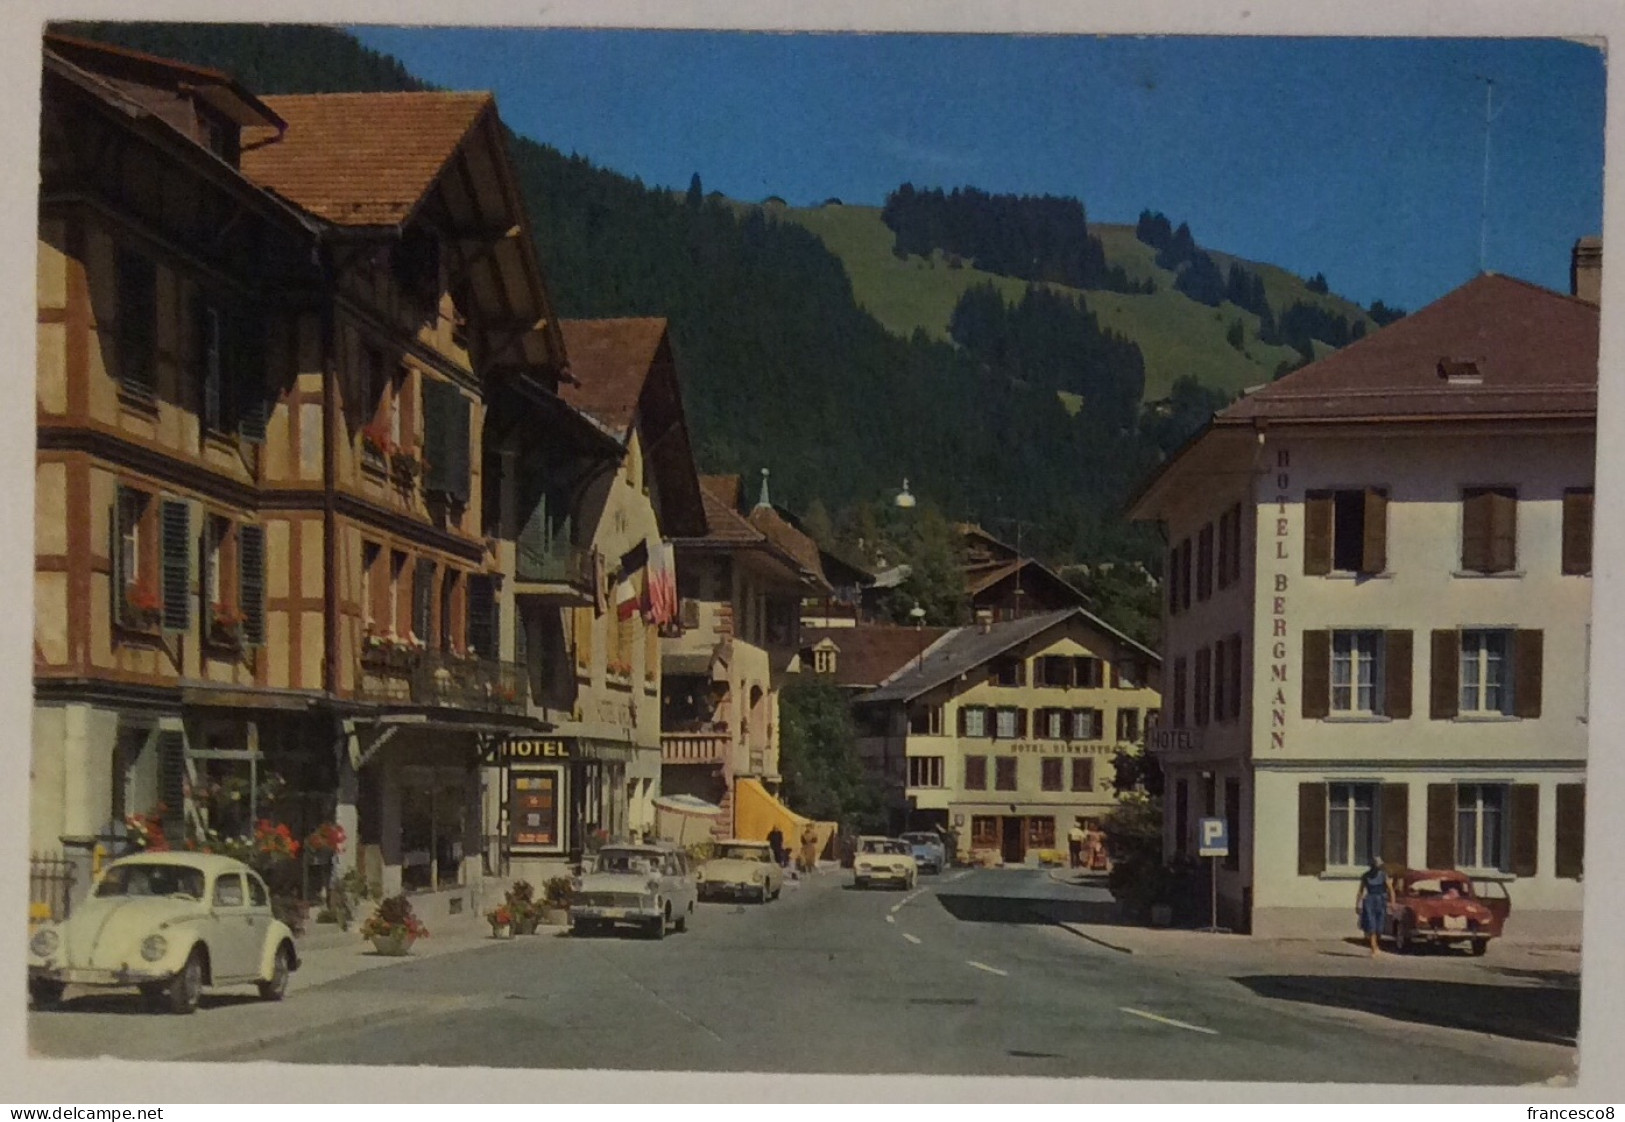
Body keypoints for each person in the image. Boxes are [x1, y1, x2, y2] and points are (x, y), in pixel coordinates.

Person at [1354, 857, 1390, 957]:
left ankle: (1376, 945)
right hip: (1370, 901)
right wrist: (1358, 904)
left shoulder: (1383, 875)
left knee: (1379, 926)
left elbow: (1390, 889)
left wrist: (1393, 902)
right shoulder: (1365, 876)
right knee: (1371, 924)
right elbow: (1361, 891)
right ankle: (1373, 948)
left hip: (1381, 900)